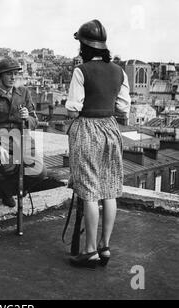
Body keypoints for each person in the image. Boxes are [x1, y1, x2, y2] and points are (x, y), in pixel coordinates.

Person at [65, 19, 131, 268]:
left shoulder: (81, 70)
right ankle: (104, 247)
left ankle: (89, 250)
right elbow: (124, 107)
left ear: (83, 46)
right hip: (111, 129)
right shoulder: (119, 71)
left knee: (90, 191)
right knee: (110, 189)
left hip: (88, 129)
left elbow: (73, 109)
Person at [0, 57, 47, 207]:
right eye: (8, 74)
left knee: (40, 172)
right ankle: (15, 185)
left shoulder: (24, 93)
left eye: (15, 73)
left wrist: (27, 118)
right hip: (0, 141)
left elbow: (34, 120)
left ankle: (7, 189)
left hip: (23, 140)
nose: (13, 77)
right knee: (6, 165)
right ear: (0, 75)